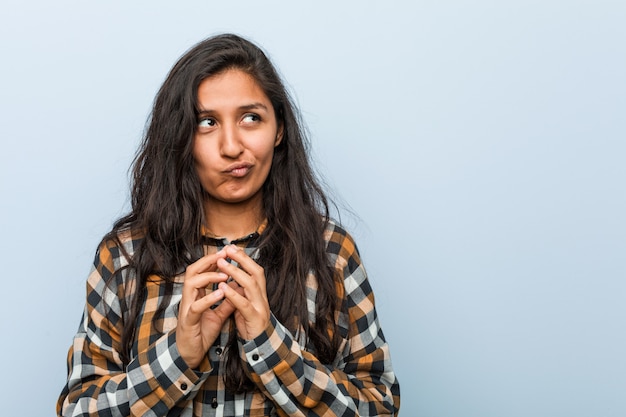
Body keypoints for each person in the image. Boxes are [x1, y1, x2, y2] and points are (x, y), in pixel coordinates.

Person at [57, 33, 400, 417]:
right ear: (181, 136)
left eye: (251, 118)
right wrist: (180, 355)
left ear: (280, 129)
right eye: (206, 123)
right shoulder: (126, 255)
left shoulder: (330, 252)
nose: (232, 146)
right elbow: (77, 409)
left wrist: (269, 343)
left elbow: (380, 407)